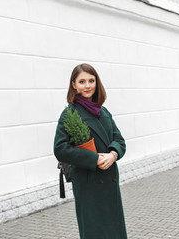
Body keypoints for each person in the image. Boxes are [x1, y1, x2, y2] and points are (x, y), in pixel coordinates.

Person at [53, 63, 127, 239]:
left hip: (109, 179)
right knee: (95, 231)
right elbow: (60, 149)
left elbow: (119, 140)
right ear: (74, 85)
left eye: (91, 80)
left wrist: (113, 154)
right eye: (82, 81)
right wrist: (93, 159)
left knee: (114, 230)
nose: (87, 86)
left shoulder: (104, 111)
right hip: (88, 183)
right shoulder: (69, 114)